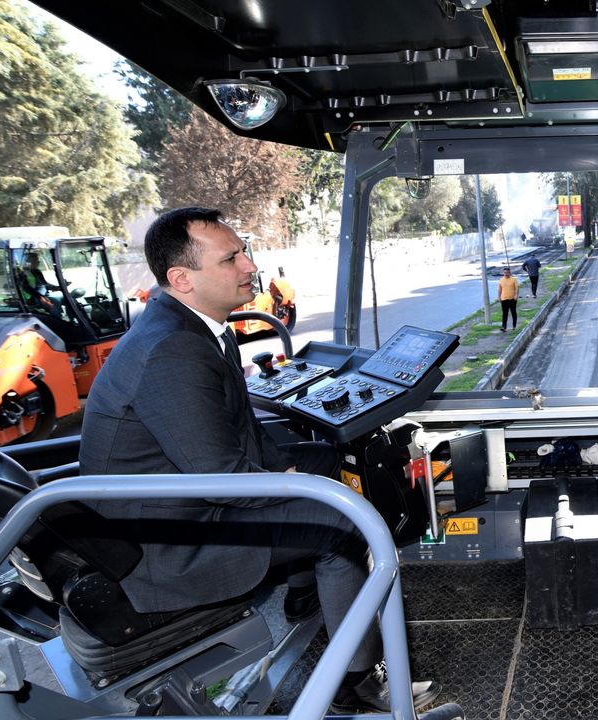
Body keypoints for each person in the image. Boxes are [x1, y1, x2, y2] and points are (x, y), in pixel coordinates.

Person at [79, 207, 438, 713]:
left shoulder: (199, 327)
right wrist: (297, 488)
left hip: (181, 501)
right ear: (182, 279)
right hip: (167, 542)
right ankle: (355, 681)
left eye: (243, 252)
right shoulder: (172, 350)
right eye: (231, 259)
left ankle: (306, 592)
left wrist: (293, 472)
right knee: (344, 526)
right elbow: (223, 478)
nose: (250, 266)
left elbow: (242, 432)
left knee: (324, 459)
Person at [498, 266, 518, 332]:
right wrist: (499, 297)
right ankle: (504, 327)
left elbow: (517, 288)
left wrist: (516, 295)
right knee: (504, 313)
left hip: (512, 299)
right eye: (504, 272)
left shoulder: (514, 279)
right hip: (504, 299)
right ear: (503, 273)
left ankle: (514, 326)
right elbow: (499, 289)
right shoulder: (501, 280)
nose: (506, 274)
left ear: (509, 273)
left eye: (507, 272)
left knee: (513, 312)